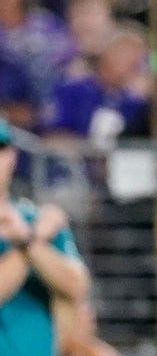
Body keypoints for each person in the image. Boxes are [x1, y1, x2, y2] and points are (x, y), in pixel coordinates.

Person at [0, 117, 91, 356]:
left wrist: (29, 238)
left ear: (12, 156)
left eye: (0, 150)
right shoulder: (40, 227)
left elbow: (77, 287)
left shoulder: (34, 219)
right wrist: (32, 240)